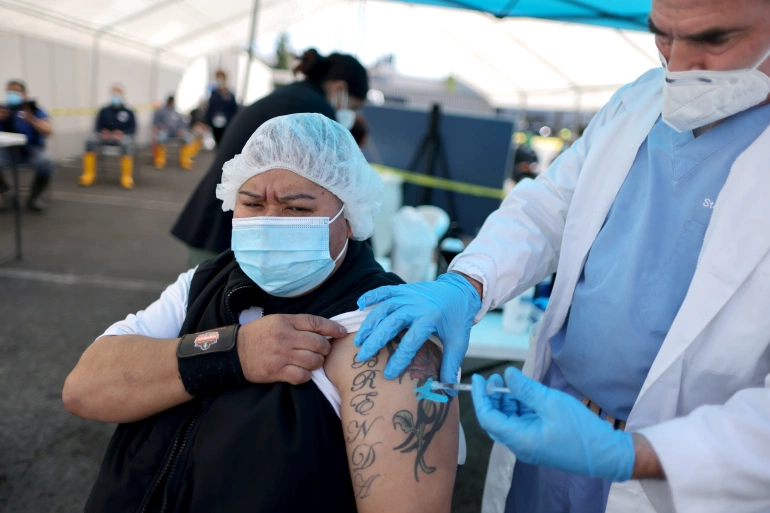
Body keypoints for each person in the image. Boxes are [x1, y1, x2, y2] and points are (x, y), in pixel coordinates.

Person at [352, 0, 770, 512]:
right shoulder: (638, 101)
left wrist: (629, 453)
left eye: (713, 40)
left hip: (676, 474)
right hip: (553, 425)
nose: (677, 65)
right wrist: (467, 284)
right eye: (663, 35)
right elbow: (548, 208)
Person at [62, 113, 459, 513]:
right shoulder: (206, 283)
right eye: (252, 203)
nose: (268, 222)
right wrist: (232, 352)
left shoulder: (383, 325)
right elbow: (84, 389)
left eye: (296, 209)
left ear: (350, 216)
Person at [171, 49, 368, 268]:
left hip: (220, 224)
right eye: (353, 107)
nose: (351, 115)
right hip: (225, 233)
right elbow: (336, 184)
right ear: (340, 88)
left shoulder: (291, 97)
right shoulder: (312, 113)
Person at [0, 79, 54, 212]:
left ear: (25, 94)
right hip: (7, 151)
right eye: (9, 92)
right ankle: (6, 193)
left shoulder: (34, 110)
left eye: (16, 92)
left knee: (46, 162)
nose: (12, 94)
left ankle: (34, 198)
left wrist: (31, 119)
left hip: (31, 150)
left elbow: (49, 130)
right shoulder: (3, 110)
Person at [80, 84, 137, 189]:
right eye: (113, 94)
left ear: (122, 95)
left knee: (127, 143)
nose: (115, 97)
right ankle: (89, 174)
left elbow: (132, 128)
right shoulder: (104, 111)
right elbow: (98, 126)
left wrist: (122, 133)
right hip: (105, 137)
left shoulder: (128, 112)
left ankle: (126, 177)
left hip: (121, 138)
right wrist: (103, 132)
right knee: (90, 140)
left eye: (117, 94)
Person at [152, 95, 196, 170]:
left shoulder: (176, 112)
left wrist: (181, 130)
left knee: (188, 137)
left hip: (176, 132)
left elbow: (182, 123)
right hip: (166, 131)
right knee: (161, 137)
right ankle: (160, 160)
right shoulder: (161, 111)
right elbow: (155, 122)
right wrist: (160, 127)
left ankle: (185, 160)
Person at [206, 69, 238, 147]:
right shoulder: (214, 94)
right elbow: (210, 108)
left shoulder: (230, 94)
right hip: (215, 123)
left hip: (227, 123)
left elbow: (234, 108)